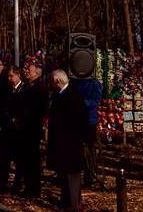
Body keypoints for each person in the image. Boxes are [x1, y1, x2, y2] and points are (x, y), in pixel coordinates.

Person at [47, 70, 88, 211]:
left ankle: (74, 204)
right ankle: (65, 201)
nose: (51, 84)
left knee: (72, 175)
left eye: (52, 81)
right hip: (61, 142)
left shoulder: (73, 95)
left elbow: (80, 119)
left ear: (57, 81)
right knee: (63, 174)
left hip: (71, 142)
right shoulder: (60, 95)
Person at [17, 62, 48, 198]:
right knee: (24, 159)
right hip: (23, 128)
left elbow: (39, 109)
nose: (26, 72)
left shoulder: (40, 88)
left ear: (36, 73)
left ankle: (34, 189)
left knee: (32, 160)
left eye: (29, 70)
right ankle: (27, 186)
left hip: (32, 128)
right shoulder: (26, 86)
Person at [0, 65, 25, 192]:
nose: (9, 79)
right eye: (8, 76)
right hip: (7, 129)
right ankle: (2, 183)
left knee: (19, 161)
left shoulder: (25, 89)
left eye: (11, 76)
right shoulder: (7, 90)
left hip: (19, 131)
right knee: (4, 159)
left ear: (18, 75)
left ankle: (17, 184)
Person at [71, 77, 103, 187]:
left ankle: (90, 174)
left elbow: (95, 100)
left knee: (90, 148)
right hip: (76, 119)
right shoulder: (74, 82)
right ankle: (77, 174)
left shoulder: (94, 83)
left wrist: (81, 102)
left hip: (89, 120)